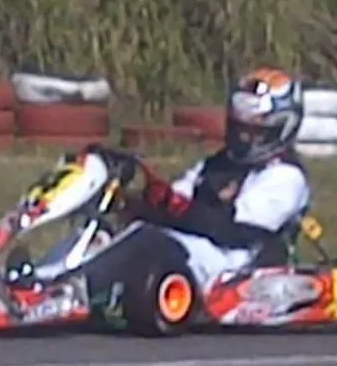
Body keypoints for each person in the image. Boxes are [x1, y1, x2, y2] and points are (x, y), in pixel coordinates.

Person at [90, 67, 311, 291]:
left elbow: (234, 230)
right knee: (105, 234)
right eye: (239, 128)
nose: (244, 138)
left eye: (254, 132)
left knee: (152, 243)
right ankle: (58, 282)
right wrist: (144, 202)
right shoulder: (217, 164)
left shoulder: (286, 176)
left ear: (281, 128)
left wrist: (178, 210)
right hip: (199, 250)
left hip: (239, 266)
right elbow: (179, 197)